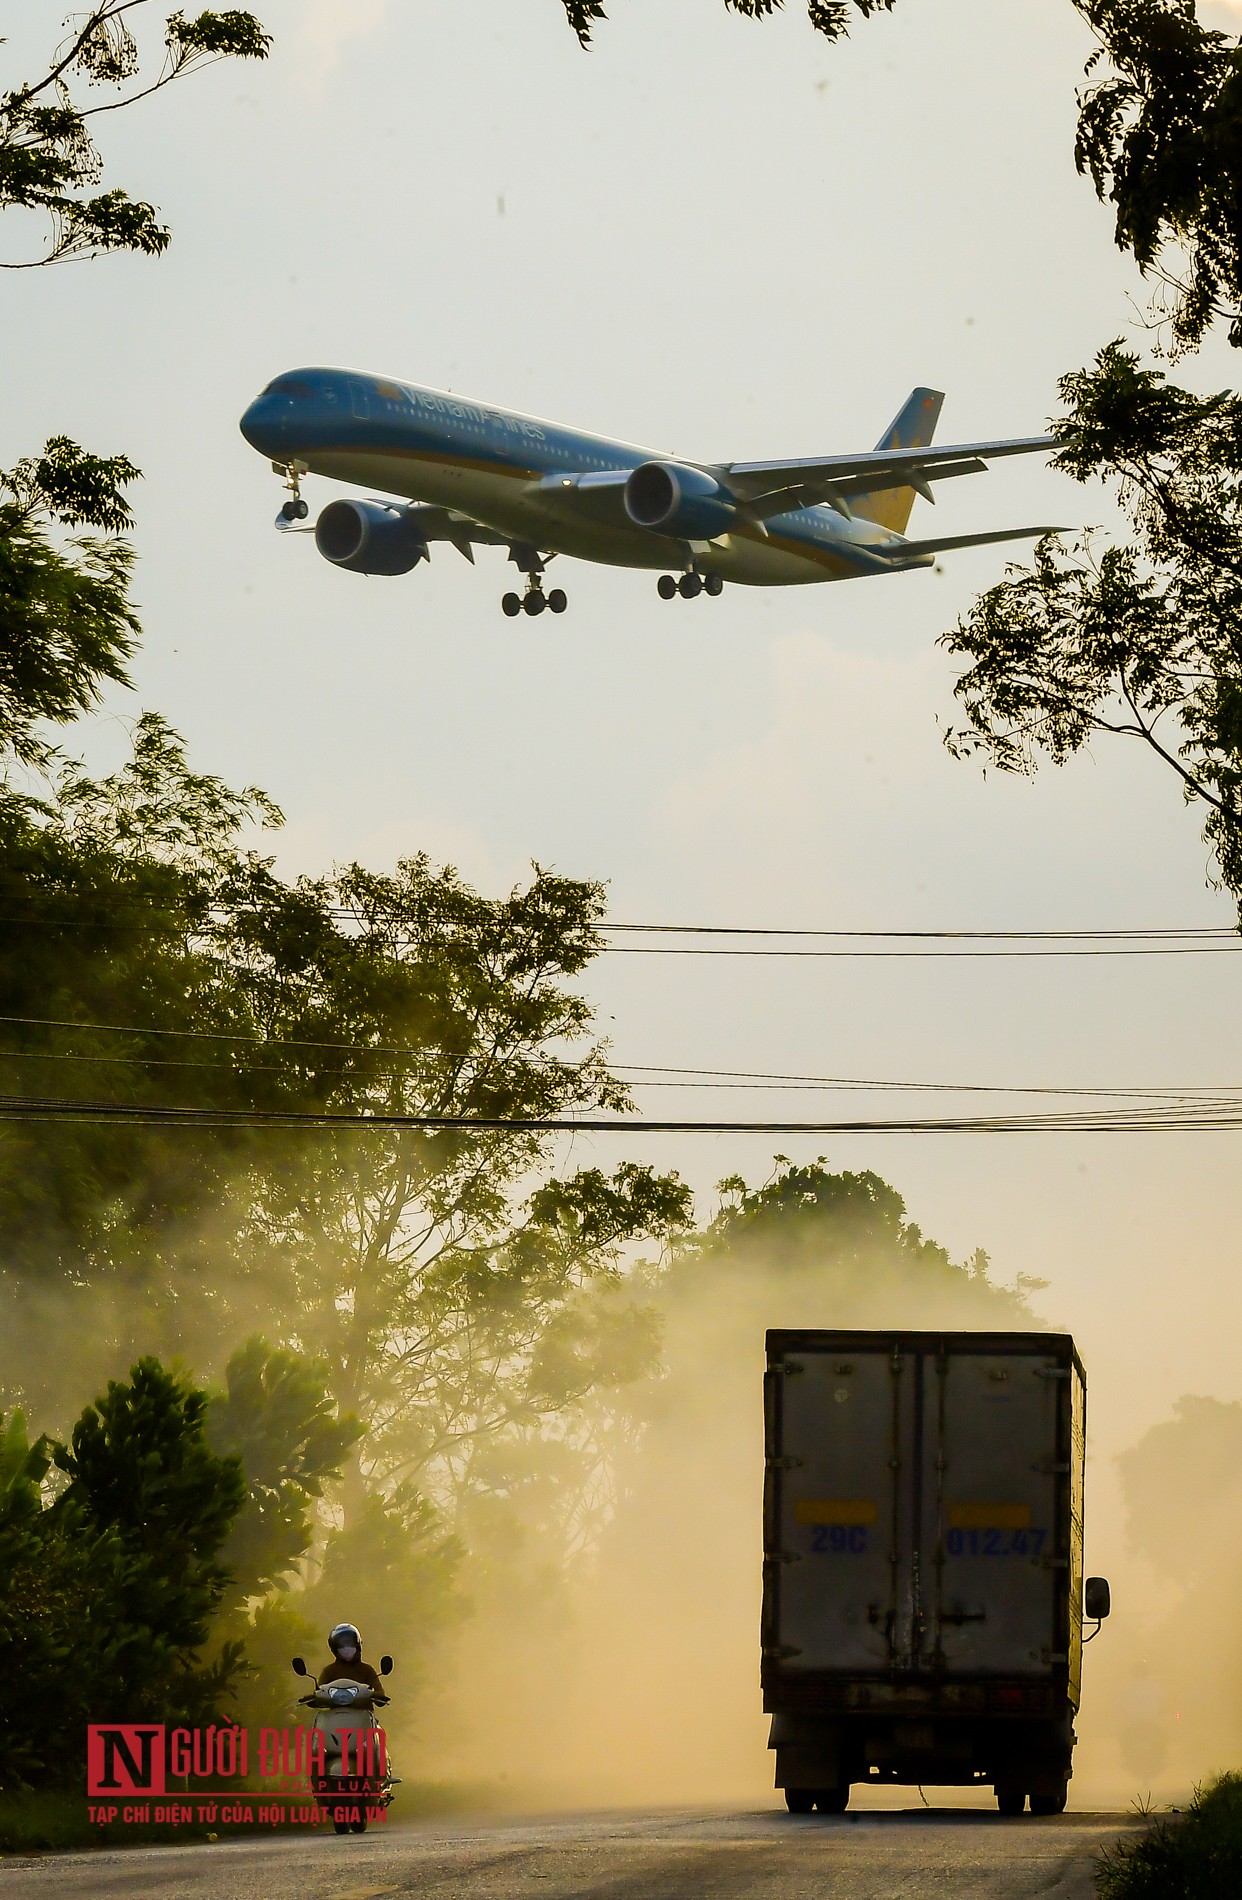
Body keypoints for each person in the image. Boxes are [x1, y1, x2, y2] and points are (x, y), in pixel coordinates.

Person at [317, 1622, 385, 1694]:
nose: (346, 1646)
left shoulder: (367, 1670)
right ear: (335, 1647)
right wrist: (313, 1697)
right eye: (341, 1644)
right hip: (334, 1706)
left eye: (349, 1642)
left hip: (362, 1705)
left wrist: (377, 1695)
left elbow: (379, 1692)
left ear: (357, 1644)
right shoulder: (329, 1671)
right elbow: (319, 1691)